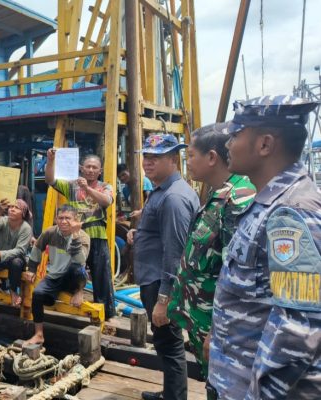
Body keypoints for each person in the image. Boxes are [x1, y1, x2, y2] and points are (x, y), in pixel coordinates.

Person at [208, 96, 321, 400]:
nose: (227, 144)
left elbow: (298, 330)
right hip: (235, 378)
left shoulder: (292, 210)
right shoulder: (268, 202)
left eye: (235, 135)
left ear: (265, 145)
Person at [166, 124, 256, 380]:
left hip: (218, 329)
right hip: (202, 322)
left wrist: (218, 330)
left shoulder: (236, 200)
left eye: (191, 156)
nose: (188, 163)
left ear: (212, 157)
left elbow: (238, 275)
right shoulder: (218, 195)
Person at [126, 133, 199, 400]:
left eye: (155, 158)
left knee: (170, 346)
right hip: (154, 278)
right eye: (146, 156)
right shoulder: (163, 191)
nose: (147, 162)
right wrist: (140, 233)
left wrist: (164, 299)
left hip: (161, 282)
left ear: (173, 160)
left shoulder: (173, 197)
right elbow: (161, 234)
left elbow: (175, 250)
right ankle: (171, 393)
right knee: (165, 344)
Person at [45, 151, 117, 319]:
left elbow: (106, 201)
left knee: (101, 274)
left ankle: (106, 313)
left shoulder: (106, 186)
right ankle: (72, 302)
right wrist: (50, 161)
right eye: (88, 166)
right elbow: (50, 180)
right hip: (76, 236)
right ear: (81, 169)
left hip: (97, 234)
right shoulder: (71, 185)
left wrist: (87, 188)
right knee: (74, 269)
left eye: (95, 167)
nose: (91, 170)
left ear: (100, 171)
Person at [24, 205, 89, 345]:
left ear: (75, 220)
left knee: (77, 269)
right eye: (61, 218)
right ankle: (39, 334)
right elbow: (37, 249)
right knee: (37, 294)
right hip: (54, 276)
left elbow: (80, 261)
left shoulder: (83, 237)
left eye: (68, 218)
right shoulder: (50, 232)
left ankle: (79, 291)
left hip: (73, 277)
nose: (64, 221)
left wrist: (75, 235)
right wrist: (32, 269)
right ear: (56, 219)